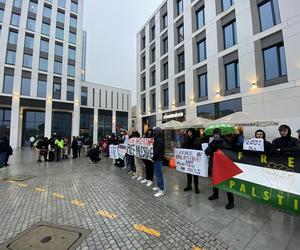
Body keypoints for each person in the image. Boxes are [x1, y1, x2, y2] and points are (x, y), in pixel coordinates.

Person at [205, 129, 235, 209]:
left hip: (223, 166)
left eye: (218, 134)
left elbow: (229, 152)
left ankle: (231, 202)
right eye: (215, 134)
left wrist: (220, 147)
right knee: (215, 181)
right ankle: (215, 195)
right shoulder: (212, 143)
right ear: (213, 135)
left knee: (227, 183)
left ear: (220, 135)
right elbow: (206, 152)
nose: (216, 135)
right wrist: (211, 146)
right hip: (214, 165)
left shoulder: (224, 142)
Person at [182, 128, 202, 194]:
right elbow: (183, 147)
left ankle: (196, 187)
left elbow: (199, 149)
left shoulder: (197, 139)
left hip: (194, 159)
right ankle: (189, 186)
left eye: (190, 132)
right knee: (188, 173)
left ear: (192, 132)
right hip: (188, 159)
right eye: (188, 132)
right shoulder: (186, 138)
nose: (188, 133)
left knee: (195, 174)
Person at [152, 127, 165, 198]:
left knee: (159, 174)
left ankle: (161, 190)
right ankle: (158, 186)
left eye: (155, 131)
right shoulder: (157, 138)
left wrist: (153, 158)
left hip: (158, 159)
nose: (154, 132)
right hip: (157, 158)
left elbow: (158, 151)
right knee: (157, 173)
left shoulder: (159, 139)